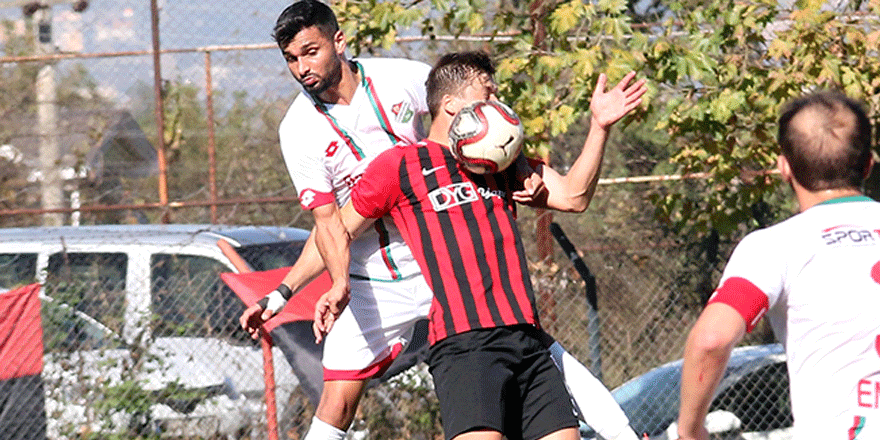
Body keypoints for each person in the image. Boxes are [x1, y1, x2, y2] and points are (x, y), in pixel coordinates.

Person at [243, 2, 641, 440]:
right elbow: (331, 226)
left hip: (445, 264)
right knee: (337, 402)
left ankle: (624, 433)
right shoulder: (301, 131)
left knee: (536, 344)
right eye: (291, 59)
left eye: (310, 52)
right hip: (374, 276)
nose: (302, 68)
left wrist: (520, 163)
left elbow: (476, 112)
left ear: (338, 42)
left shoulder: (404, 79)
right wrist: (293, 290)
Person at [675, 91, 880, 440]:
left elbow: (711, 339)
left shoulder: (774, 247)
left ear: (784, 167)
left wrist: (690, 430)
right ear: (868, 165)